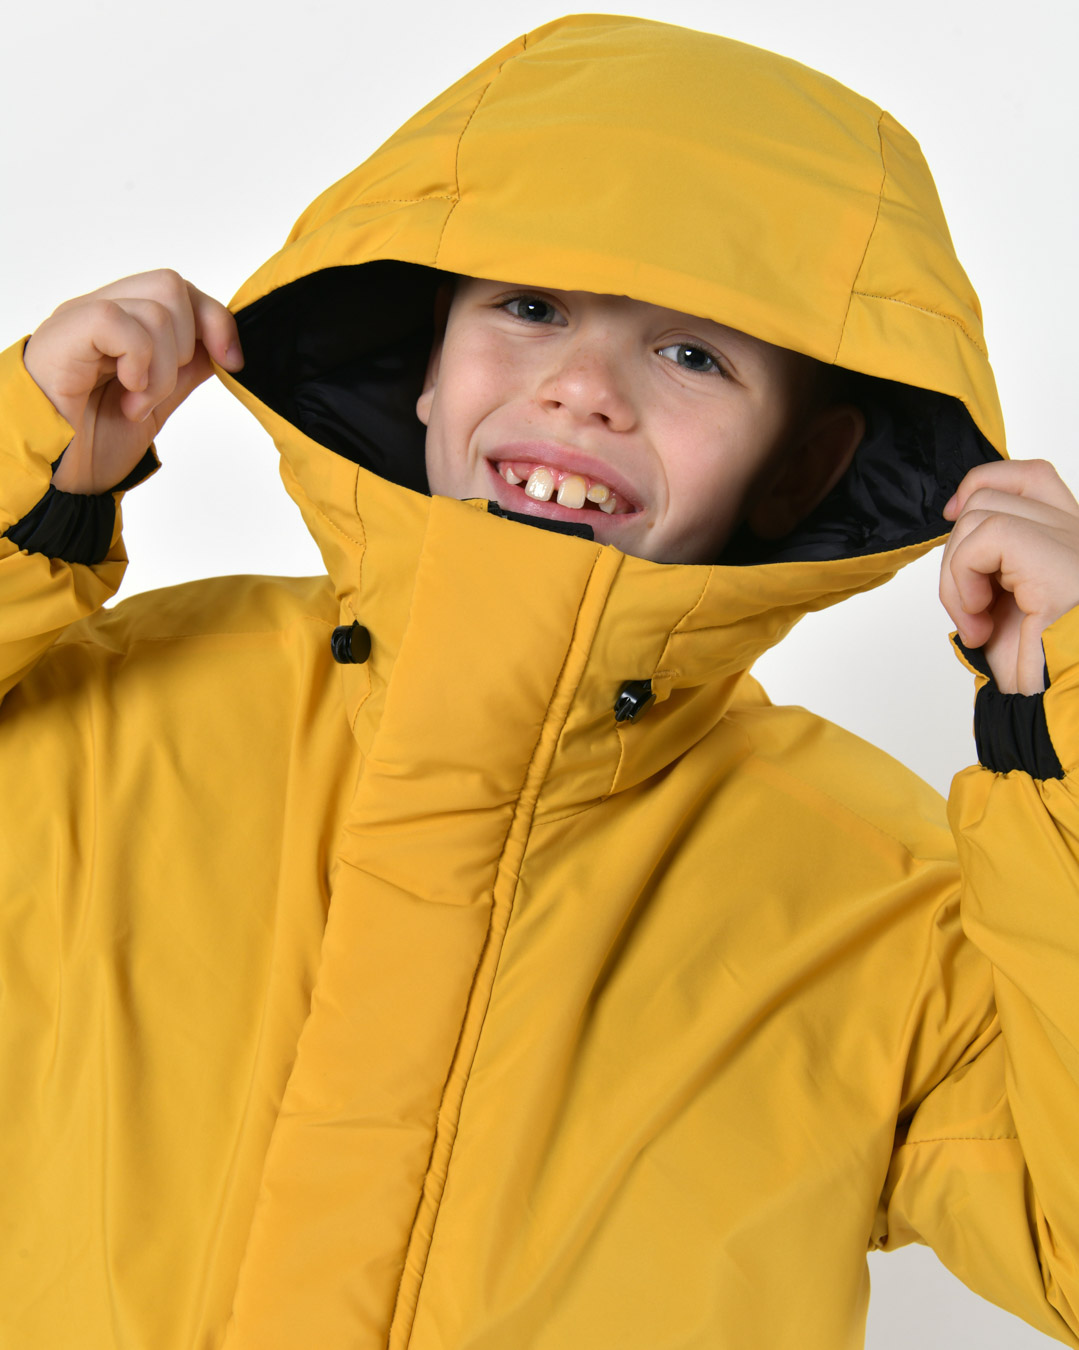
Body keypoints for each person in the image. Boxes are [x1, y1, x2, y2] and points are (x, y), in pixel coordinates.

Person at [2, 13, 1079, 1349]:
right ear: (427, 364)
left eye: (692, 354)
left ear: (802, 467)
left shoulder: (879, 901)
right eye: (527, 307)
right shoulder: (113, 713)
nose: (580, 390)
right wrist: (21, 473)